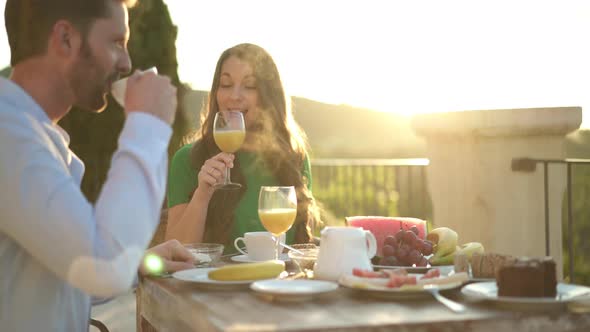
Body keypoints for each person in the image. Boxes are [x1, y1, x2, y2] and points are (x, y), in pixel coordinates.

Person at [0, 0, 194, 330]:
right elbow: (102, 268)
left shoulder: (30, 134)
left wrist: (137, 264)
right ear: (65, 39)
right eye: (117, 42)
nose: (127, 63)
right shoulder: (9, 134)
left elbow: (69, 274)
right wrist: (147, 124)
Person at [165, 43, 321, 250]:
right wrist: (202, 194)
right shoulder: (189, 159)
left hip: (281, 281)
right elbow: (176, 251)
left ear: (269, 96)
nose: (234, 96)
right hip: (215, 282)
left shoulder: (293, 159)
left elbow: (300, 245)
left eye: (250, 86)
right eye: (226, 84)